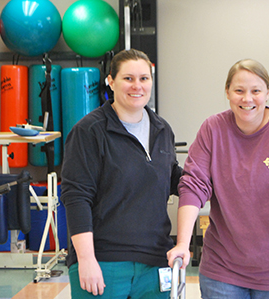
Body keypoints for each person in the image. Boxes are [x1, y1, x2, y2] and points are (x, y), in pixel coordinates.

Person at [167, 59, 269, 298]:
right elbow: (193, 186)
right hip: (224, 267)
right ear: (227, 92)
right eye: (239, 90)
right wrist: (182, 243)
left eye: (256, 91)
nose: (247, 99)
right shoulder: (213, 129)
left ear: (268, 92)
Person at [61, 49, 183, 299]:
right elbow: (76, 197)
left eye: (144, 78)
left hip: (155, 261)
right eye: (128, 78)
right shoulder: (89, 131)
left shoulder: (162, 129)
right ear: (111, 81)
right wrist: (86, 260)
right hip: (104, 261)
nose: (137, 86)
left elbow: (172, 178)